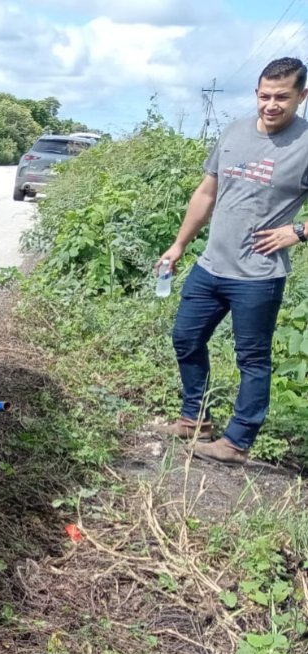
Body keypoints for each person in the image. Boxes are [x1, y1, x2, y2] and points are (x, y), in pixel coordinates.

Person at [157, 56, 308, 464]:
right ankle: (195, 419)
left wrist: (298, 231)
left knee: (252, 359)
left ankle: (237, 442)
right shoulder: (234, 132)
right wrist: (179, 245)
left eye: (282, 97)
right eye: (264, 95)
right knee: (185, 338)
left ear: (302, 96)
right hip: (211, 266)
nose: (271, 105)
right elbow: (206, 194)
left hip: (258, 275)